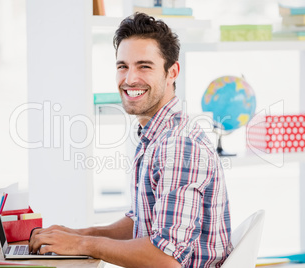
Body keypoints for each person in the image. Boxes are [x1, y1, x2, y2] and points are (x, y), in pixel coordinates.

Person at [29, 13, 232, 268]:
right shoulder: (155, 135)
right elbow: (142, 222)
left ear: (172, 72)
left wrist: (83, 245)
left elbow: (166, 260)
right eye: (122, 66)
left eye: (144, 66)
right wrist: (79, 234)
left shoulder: (179, 145)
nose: (130, 79)